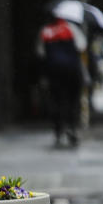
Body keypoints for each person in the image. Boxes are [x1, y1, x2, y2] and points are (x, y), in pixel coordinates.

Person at [37, 13, 87, 147]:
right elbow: (82, 46)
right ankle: (72, 127)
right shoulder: (71, 28)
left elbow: (41, 53)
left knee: (56, 100)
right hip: (72, 70)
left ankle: (58, 130)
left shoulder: (45, 30)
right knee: (73, 99)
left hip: (53, 71)